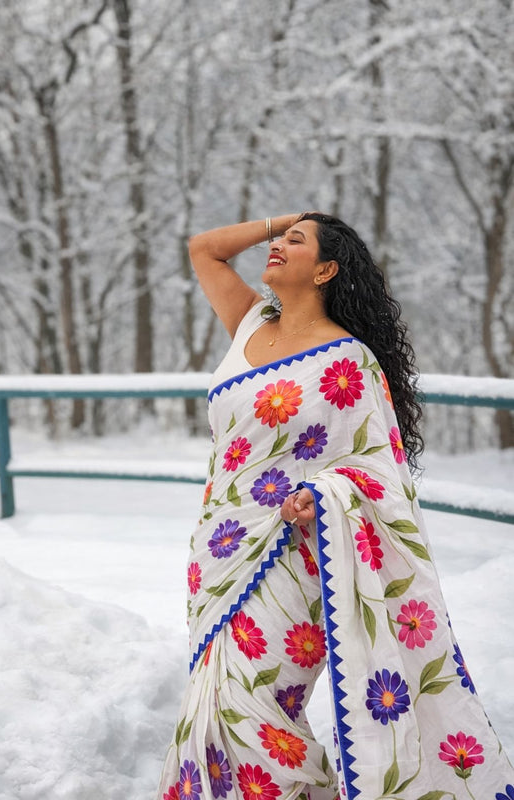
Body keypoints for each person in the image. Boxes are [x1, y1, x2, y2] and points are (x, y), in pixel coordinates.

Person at [157, 213, 514, 800]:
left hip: (297, 556)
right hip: (219, 551)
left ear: (326, 270)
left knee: (259, 706)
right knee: (215, 702)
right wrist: (284, 218)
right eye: (277, 240)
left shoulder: (349, 362)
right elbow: (203, 248)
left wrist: (322, 495)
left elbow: (379, 472)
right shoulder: (250, 323)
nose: (276, 246)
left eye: (294, 243)